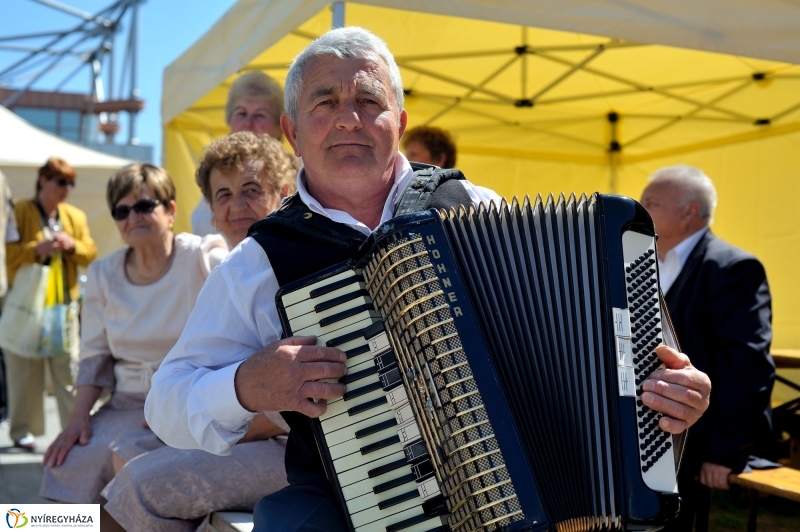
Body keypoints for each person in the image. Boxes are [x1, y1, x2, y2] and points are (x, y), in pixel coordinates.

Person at [146, 27, 712, 531]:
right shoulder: (262, 260)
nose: (349, 118)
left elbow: (622, 346)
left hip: (528, 493)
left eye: (370, 101)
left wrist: (675, 392)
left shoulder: (474, 208)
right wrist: (246, 385)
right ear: (292, 132)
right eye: (327, 102)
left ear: (401, 121)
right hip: (347, 505)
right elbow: (167, 403)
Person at [98, 133, 298, 532]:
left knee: (137, 486)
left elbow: (284, 409)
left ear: (283, 192)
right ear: (211, 208)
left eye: (251, 190)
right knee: (118, 459)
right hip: (248, 435)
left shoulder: (294, 264)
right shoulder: (232, 270)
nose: (236, 205)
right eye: (223, 194)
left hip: (298, 451)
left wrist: (214, 428)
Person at [39, 163, 228, 509]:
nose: (134, 217)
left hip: (188, 402)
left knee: (136, 473)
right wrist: (77, 418)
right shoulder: (102, 273)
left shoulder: (203, 257)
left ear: (171, 210)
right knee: (67, 463)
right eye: (122, 211)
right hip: (124, 405)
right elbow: (94, 355)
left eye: (144, 206)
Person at [640, 165, 774, 530]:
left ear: (688, 212)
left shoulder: (734, 268)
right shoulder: (643, 260)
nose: (639, 206)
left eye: (650, 201)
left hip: (696, 443)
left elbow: (747, 367)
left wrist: (724, 454)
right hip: (649, 434)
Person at [5, 157, 97, 450]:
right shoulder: (19, 210)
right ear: (43, 180)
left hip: (62, 305)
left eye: (71, 183)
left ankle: (74, 426)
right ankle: (21, 431)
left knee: (68, 369)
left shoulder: (75, 216)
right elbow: (6, 253)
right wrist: (37, 249)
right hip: (26, 304)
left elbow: (90, 253)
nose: (67, 188)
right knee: (23, 369)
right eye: (61, 181)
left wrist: (73, 246)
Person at [191, 71, 285, 236]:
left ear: (280, 126)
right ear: (229, 121)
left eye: (260, 115)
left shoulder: (302, 172)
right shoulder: (217, 174)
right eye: (241, 113)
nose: (248, 123)